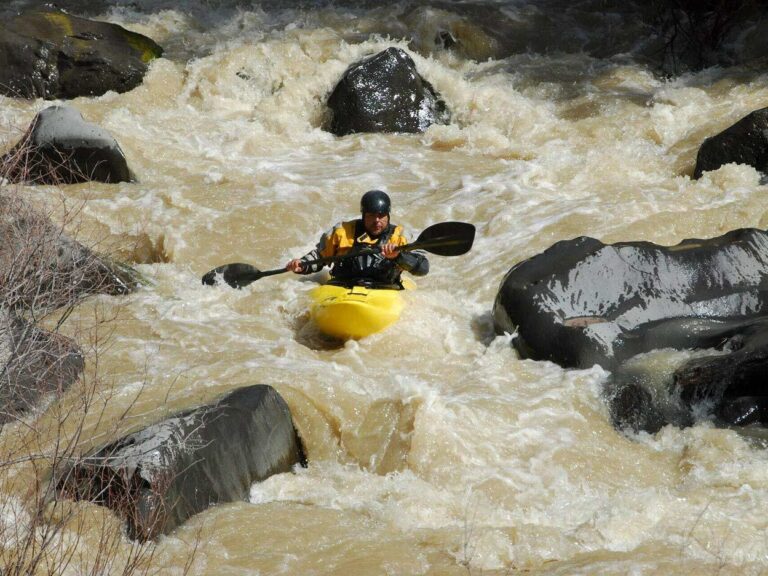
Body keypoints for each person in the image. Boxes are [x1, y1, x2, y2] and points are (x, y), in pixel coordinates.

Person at [285, 190, 429, 288]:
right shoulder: (341, 232)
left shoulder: (401, 236)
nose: (377, 221)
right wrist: (302, 264)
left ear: (388, 215)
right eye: (371, 215)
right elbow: (319, 256)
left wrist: (399, 256)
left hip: (385, 289)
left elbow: (423, 268)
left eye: (381, 215)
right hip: (342, 287)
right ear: (363, 215)